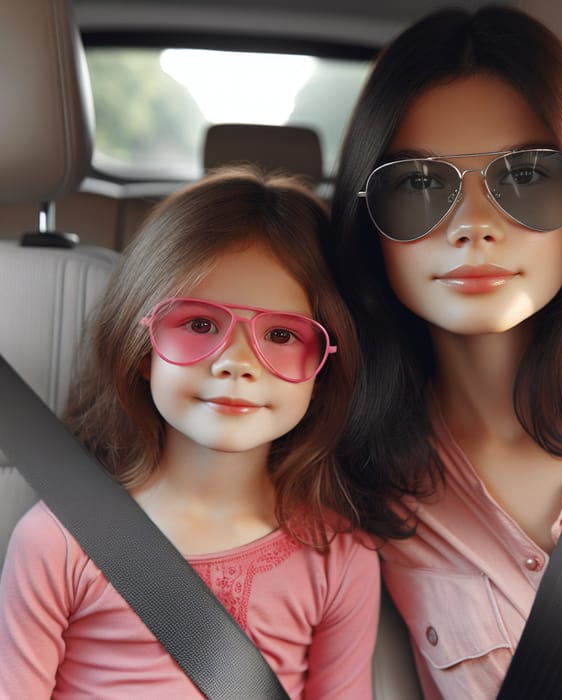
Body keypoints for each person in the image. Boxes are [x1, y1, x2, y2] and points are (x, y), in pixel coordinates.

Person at [327, 6, 562, 699]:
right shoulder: (347, 487)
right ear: (368, 219)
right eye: (417, 183)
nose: (473, 226)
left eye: (526, 176)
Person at [0, 166, 379, 699]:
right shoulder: (57, 543)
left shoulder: (340, 559)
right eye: (200, 324)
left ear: (322, 369)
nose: (237, 362)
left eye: (280, 334)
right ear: (143, 350)